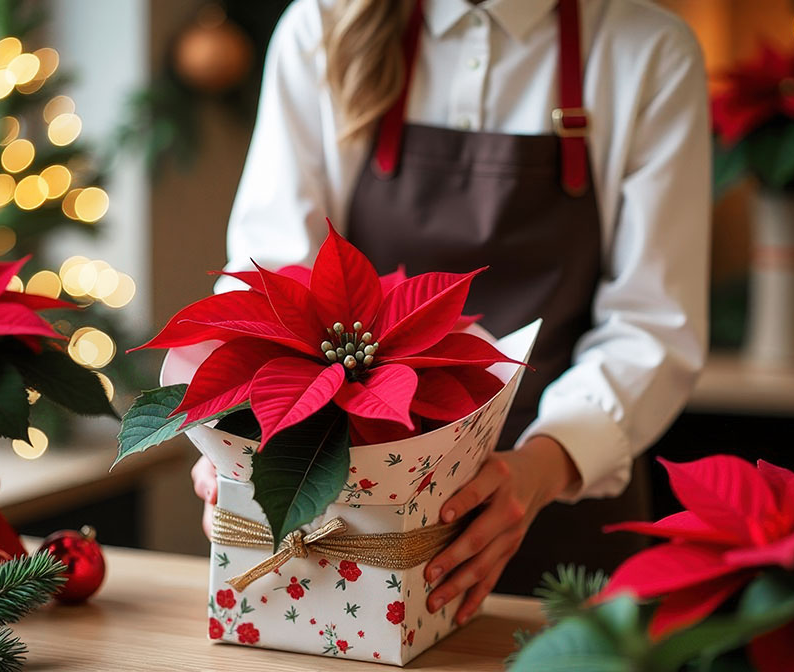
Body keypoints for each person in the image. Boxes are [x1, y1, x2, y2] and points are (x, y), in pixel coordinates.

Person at [191, 0, 710, 626]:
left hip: (561, 500)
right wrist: (247, 441)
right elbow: (275, 281)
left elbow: (652, 323)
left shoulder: (647, 51)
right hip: (350, 500)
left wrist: (542, 467)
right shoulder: (323, 25)